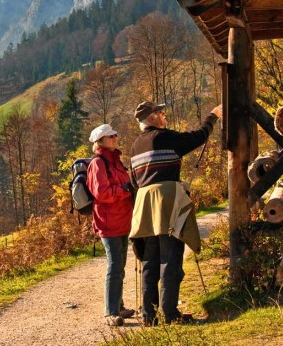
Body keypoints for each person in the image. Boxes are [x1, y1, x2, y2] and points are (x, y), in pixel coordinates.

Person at [128, 101, 222, 326]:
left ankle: (149, 317)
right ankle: (170, 315)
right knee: (171, 258)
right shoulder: (163, 137)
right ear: (152, 119)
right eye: (161, 113)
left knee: (150, 261)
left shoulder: (134, 146)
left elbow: (133, 181)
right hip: (166, 200)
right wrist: (213, 116)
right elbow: (197, 137)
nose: (164, 116)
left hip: (143, 204)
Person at [86, 123, 136, 327]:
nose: (115, 137)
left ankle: (119, 306)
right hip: (109, 223)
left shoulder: (115, 161)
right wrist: (126, 189)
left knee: (120, 266)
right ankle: (110, 312)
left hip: (122, 221)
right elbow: (103, 193)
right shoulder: (98, 163)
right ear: (100, 141)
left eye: (115, 134)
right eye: (111, 135)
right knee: (114, 267)